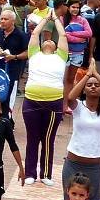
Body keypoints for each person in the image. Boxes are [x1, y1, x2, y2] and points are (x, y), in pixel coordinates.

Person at [21, 12, 69, 186]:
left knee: (48, 139)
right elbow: (35, 34)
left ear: (56, 47)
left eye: (52, 41)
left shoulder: (61, 57)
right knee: (32, 138)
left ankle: (46, 174)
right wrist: (45, 19)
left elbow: (62, 35)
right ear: (40, 45)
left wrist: (55, 19)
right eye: (46, 40)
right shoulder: (34, 54)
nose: (49, 41)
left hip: (53, 102)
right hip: (31, 101)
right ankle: (30, 173)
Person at [63, 62, 100, 200]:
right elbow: (69, 98)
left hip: (94, 167)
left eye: (96, 85)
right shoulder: (78, 107)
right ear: (83, 90)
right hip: (73, 163)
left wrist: (97, 76)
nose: (93, 86)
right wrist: (88, 74)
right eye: (89, 85)